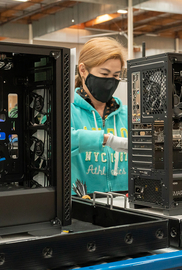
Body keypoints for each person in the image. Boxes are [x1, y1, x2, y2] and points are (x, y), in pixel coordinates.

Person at [71, 37, 128, 194]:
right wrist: (105, 139)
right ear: (83, 70)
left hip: (125, 202)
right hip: (82, 202)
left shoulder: (127, 115)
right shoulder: (67, 111)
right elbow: (61, 142)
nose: (111, 81)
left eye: (116, 75)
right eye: (104, 73)